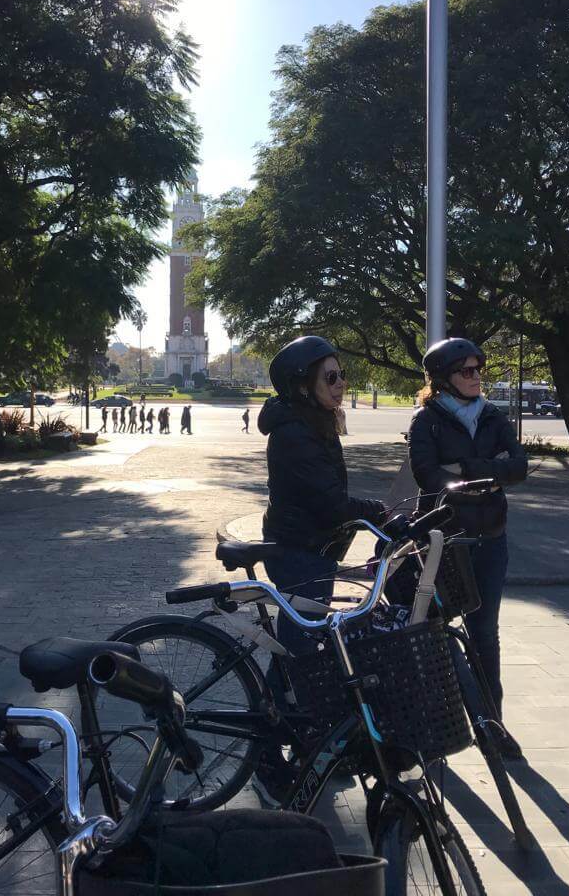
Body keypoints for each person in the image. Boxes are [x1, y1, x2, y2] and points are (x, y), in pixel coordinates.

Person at [256, 336, 386, 800]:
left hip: (315, 552)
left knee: (301, 650)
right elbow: (329, 501)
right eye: (330, 377)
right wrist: (379, 511)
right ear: (303, 385)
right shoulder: (294, 432)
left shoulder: (315, 422)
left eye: (341, 374)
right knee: (297, 656)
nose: (341, 383)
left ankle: (306, 740)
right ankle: (267, 755)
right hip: (298, 555)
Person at [408, 338, 528, 760]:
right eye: (467, 371)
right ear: (443, 379)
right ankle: (437, 727)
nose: (477, 377)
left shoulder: (494, 416)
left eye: (479, 369)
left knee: (485, 634)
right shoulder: (428, 421)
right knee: (435, 636)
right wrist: (489, 474)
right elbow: (428, 475)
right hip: (445, 543)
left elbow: (518, 466)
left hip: (491, 539)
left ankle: (493, 725)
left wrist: (469, 472)